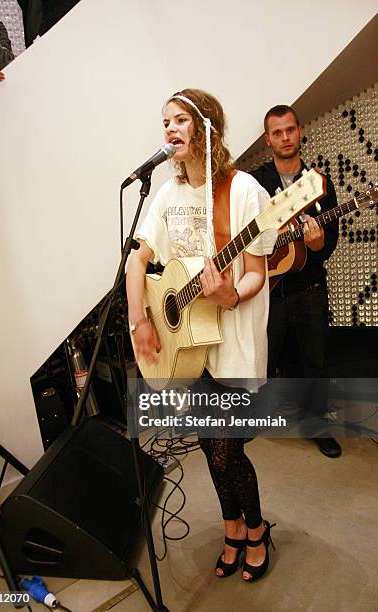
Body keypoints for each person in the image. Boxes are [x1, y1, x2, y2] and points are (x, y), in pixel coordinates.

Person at [126, 88, 277, 581]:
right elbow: (137, 260)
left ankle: (256, 530)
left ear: (206, 127)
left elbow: (256, 270)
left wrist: (231, 295)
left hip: (233, 342)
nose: (169, 129)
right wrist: (140, 320)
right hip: (190, 349)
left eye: (180, 121)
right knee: (211, 443)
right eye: (164, 121)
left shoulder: (244, 190)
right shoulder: (165, 194)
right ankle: (233, 527)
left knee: (227, 447)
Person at [250, 104, 341, 458]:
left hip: (309, 289)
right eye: (277, 132)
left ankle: (317, 424)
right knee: (263, 359)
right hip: (267, 291)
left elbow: (330, 238)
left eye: (290, 130)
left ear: (299, 131)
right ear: (268, 139)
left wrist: (318, 244)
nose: (285, 137)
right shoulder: (256, 183)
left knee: (315, 362)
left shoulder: (318, 183)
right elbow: (248, 233)